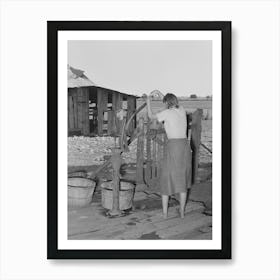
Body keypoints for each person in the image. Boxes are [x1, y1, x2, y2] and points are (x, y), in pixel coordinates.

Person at [146, 93, 192, 219]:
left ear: (166, 103)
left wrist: (148, 101)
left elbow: (151, 116)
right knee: (182, 179)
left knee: (166, 179)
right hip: (184, 146)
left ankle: (165, 214)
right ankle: (182, 212)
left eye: (164, 103)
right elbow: (172, 107)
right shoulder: (182, 110)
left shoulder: (166, 113)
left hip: (174, 147)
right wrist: (163, 96)